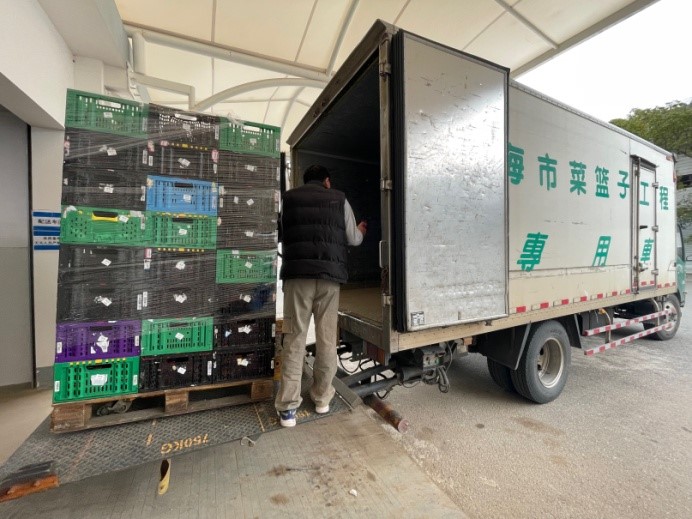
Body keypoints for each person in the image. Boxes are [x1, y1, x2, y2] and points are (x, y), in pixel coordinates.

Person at [275, 164, 367, 427]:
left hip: (297, 279)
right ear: (327, 181)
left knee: (294, 338)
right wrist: (360, 230)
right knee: (327, 339)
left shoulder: (289, 199)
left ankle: (288, 408)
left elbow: (280, 234)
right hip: (329, 279)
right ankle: (322, 399)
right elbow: (353, 239)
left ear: (305, 181)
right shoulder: (340, 199)